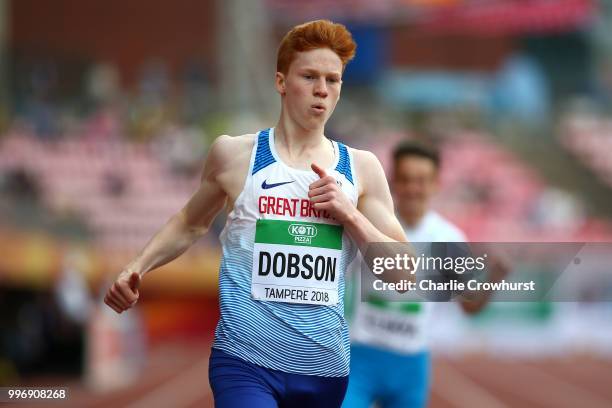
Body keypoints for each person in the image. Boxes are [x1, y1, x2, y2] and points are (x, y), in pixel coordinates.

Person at [104, 20, 409, 408]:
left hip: (324, 369)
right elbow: (189, 222)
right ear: (281, 82)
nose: (321, 90)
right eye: (309, 77)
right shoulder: (236, 156)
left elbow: (404, 274)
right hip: (245, 360)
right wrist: (137, 267)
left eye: (332, 80)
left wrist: (349, 214)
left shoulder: (360, 169)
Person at [343, 141, 509, 408]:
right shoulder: (367, 226)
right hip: (360, 356)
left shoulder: (449, 239)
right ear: (392, 182)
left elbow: (469, 306)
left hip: (411, 365)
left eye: (421, 180)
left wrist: (494, 279)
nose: (413, 189)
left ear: (436, 184)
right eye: (406, 179)